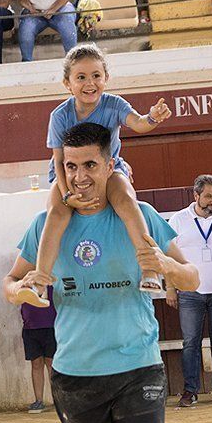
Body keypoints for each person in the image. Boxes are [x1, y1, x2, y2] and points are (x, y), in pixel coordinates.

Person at [3, 122, 198, 423]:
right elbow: (9, 281)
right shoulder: (46, 225)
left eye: (90, 165)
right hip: (76, 373)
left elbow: (192, 277)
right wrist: (19, 292)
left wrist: (167, 266)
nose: (79, 177)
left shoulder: (140, 215)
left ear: (111, 166)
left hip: (137, 367)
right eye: (71, 167)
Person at [25, 44, 171, 310]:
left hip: (109, 169)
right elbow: (59, 160)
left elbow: (138, 123)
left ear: (106, 78)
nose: (89, 83)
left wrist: (153, 118)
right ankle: (40, 280)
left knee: (127, 200)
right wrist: (67, 194)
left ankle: (149, 268)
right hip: (68, 173)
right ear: (67, 83)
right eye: (80, 77)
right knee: (56, 213)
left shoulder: (114, 104)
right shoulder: (59, 115)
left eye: (96, 75)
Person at [165, 174, 212, 407]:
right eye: (208, 196)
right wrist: (170, 287)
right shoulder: (178, 220)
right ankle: (190, 391)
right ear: (196, 195)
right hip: (189, 292)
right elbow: (168, 256)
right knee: (190, 342)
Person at [20, 286, 56, 413]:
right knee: (36, 363)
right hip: (30, 326)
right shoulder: (24, 281)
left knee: (51, 363)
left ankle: (57, 399)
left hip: (51, 325)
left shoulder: (51, 278)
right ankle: (39, 400)